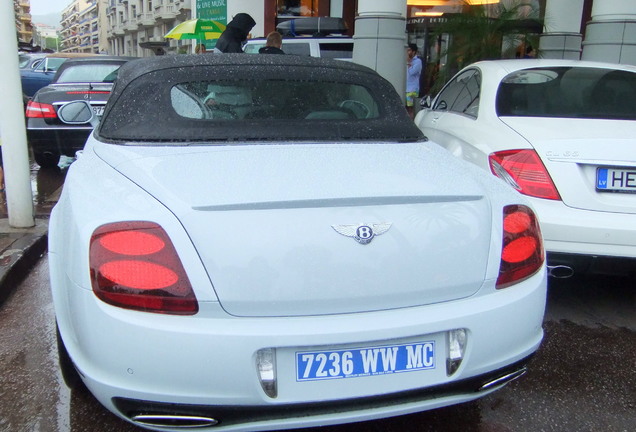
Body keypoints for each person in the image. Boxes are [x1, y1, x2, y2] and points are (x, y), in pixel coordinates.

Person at [406, 43, 423, 120]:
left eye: (409, 50)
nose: (408, 52)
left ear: (414, 52)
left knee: (410, 108)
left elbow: (412, 72)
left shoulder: (418, 61)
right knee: (406, 108)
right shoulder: (407, 60)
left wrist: (409, 64)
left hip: (412, 89)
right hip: (406, 88)